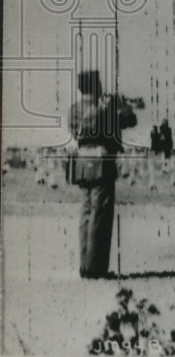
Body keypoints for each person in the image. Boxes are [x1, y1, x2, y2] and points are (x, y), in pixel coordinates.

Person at [68, 70, 137, 279]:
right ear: (94, 86)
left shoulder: (74, 110)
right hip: (102, 161)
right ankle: (96, 268)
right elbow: (129, 120)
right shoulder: (105, 110)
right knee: (101, 214)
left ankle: (85, 265)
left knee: (86, 213)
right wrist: (121, 104)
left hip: (82, 162)